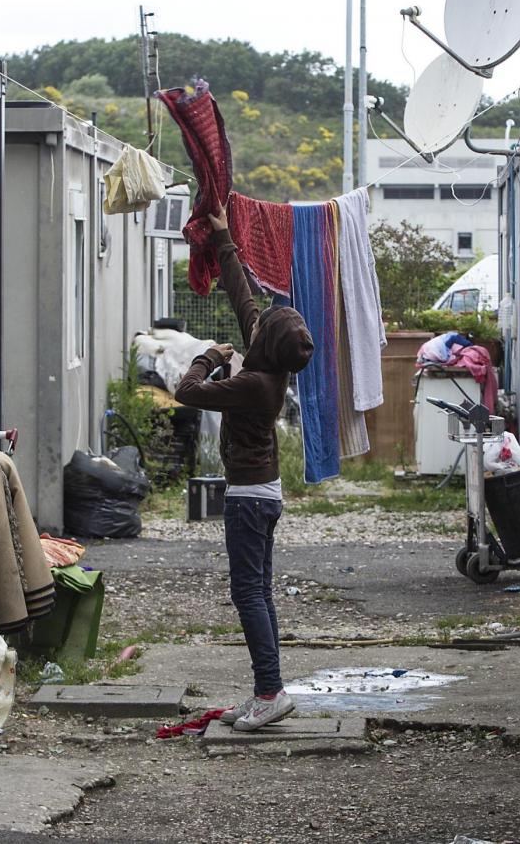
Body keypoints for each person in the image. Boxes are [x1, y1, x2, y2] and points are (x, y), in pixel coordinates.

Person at [174, 204, 314, 731]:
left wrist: (208, 357)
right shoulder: (268, 361)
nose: (253, 326)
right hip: (263, 493)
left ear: (266, 344)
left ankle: (270, 691)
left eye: (261, 328)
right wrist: (224, 240)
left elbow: (187, 392)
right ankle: (267, 688)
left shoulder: (254, 385)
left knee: (248, 592)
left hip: (249, 499)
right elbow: (245, 298)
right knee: (258, 590)